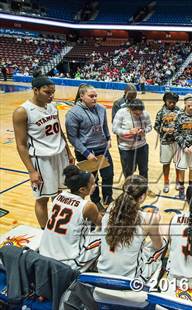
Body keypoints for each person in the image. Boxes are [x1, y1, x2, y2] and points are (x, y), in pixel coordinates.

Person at [13, 73, 74, 228]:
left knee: (61, 195)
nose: (51, 96)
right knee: (42, 199)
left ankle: (58, 229)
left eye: (53, 92)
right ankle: (43, 231)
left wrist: (68, 152)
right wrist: (31, 171)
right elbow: (21, 144)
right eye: (47, 92)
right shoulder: (22, 111)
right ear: (35, 90)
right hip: (41, 159)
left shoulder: (52, 107)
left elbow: (59, 131)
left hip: (60, 155)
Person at [97, 175, 163, 278]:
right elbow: (158, 246)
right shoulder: (149, 219)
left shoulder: (111, 207)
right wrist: (154, 221)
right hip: (130, 279)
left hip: (102, 273)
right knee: (164, 237)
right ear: (141, 197)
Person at [39, 165, 102, 269]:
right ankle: (95, 267)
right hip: (68, 262)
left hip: (44, 253)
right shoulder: (88, 206)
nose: (95, 185)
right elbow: (103, 223)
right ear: (82, 189)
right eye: (92, 183)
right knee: (107, 235)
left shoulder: (60, 196)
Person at [65, 84, 114, 209]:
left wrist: (108, 138)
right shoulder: (73, 113)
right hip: (85, 152)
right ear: (82, 96)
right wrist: (86, 153)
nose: (95, 98)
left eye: (96, 96)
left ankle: (108, 198)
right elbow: (72, 137)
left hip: (102, 149)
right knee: (92, 180)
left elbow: (104, 126)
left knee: (108, 175)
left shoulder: (101, 109)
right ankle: (96, 201)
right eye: (91, 96)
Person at [112, 98, 152, 179]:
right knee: (128, 172)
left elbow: (150, 127)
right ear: (129, 109)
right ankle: (129, 190)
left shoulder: (145, 114)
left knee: (144, 170)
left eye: (140, 113)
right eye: (135, 114)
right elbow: (115, 129)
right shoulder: (121, 113)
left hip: (142, 146)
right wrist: (129, 132)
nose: (138, 115)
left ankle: (144, 189)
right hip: (126, 149)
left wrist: (144, 131)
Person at [174, 94, 192, 199]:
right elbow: (176, 133)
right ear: (185, 104)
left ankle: (190, 192)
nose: (191, 108)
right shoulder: (179, 116)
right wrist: (184, 146)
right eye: (189, 105)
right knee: (181, 169)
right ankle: (181, 192)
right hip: (183, 149)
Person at [154, 92, 180, 193]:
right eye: (170, 102)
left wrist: (177, 129)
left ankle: (178, 181)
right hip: (165, 142)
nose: (172, 104)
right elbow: (156, 126)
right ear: (165, 101)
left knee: (178, 163)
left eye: (174, 102)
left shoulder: (179, 111)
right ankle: (166, 182)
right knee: (166, 163)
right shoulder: (160, 112)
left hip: (177, 142)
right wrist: (164, 129)